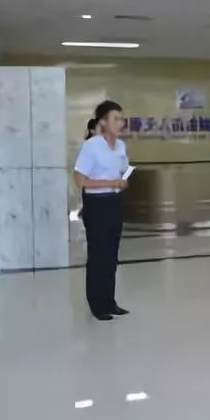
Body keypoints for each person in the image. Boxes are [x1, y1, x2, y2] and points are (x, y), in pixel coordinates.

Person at [73, 100, 130, 321]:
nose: (120, 123)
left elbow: (122, 171)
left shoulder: (121, 146)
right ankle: (97, 305)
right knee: (98, 255)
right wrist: (109, 183)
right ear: (103, 122)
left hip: (114, 201)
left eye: (122, 119)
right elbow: (80, 180)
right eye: (116, 119)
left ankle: (109, 301)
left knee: (111, 255)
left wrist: (122, 181)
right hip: (96, 204)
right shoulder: (92, 146)